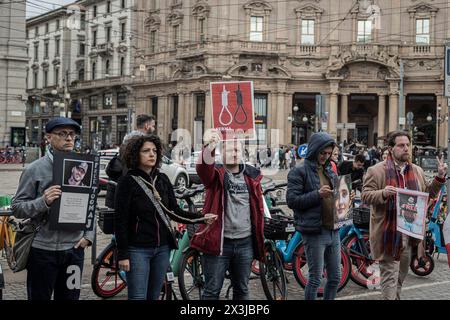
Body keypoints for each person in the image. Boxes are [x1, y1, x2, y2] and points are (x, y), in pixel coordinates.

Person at [114, 135, 217, 300]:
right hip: (137, 249)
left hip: (162, 248)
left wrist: (202, 217)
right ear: (135, 155)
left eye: (154, 151)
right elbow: (120, 221)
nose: (151, 154)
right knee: (138, 297)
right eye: (146, 151)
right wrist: (123, 254)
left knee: (154, 296)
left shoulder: (162, 179)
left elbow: (174, 210)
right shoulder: (127, 182)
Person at [11, 117, 95, 300]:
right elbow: (17, 208)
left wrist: (88, 237)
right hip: (42, 250)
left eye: (72, 134)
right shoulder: (34, 169)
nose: (69, 138)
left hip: (73, 250)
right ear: (48, 137)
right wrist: (43, 201)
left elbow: (91, 204)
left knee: (70, 298)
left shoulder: (83, 166)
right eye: (62, 134)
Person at [362, 131, 446, 300]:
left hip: (409, 236)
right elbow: (365, 196)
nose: (406, 148)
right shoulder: (377, 171)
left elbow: (427, 194)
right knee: (390, 282)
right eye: (401, 145)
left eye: (407, 145)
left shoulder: (417, 171)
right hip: (389, 235)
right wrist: (383, 193)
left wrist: (439, 177)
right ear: (390, 148)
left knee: (398, 280)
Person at [190, 132, 265, 300]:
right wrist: (210, 147)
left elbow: (257, 208)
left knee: (242, 291)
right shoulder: (215, 174)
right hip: (219, 243)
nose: (235, 152)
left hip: (245, 242)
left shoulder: (252, 176)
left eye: (238, 149)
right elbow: (202, 168)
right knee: (211, 292)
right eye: (230, 149)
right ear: (221, 153)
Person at [286, 132, 341, 300]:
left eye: (328, 153)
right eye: (322, 153)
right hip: (314, 231)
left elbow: (337, 195)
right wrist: (317, 194)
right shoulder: (299, 171)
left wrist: (344, 197)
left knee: (335, 278)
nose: (325, 157)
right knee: (316, 278)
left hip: (333, 229)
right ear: (314, 150)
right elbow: (292, 201)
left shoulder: (329, 169)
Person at [105, 114, 156, 209]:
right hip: (126, 195)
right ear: (146, 126)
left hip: (116, 192)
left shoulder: (127, 142)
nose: (153, 129)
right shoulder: (139, 144)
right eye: (153, 126)